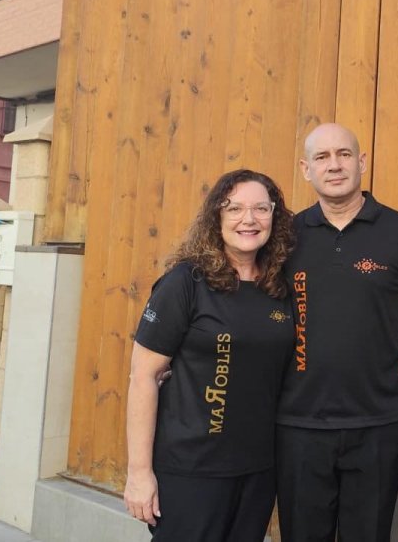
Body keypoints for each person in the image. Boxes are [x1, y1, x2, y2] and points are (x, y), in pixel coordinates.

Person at [276, 123, 398, 542]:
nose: (334, 165)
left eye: (344, 154)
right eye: (322, 157)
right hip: (298, 426)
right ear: (305, 169)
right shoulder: (284, 238)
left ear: (362, 162)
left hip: (377, 425)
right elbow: (252, 319)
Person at [123, 169, 296, 541]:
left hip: (258, 469)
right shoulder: (185, 282)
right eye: (234, 209)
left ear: (274, 218)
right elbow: (144, 377)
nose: (248, 220)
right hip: (191, 469)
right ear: (216, 217)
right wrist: (139, 473)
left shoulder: (279, 288)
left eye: (261, 209)